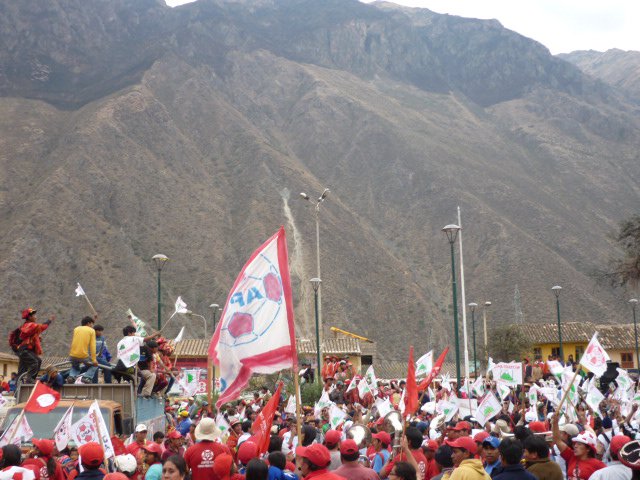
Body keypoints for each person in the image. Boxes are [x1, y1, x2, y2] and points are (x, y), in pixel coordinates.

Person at [552, 413, 605, 479]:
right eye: (575, 443)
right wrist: (555, 423)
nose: (575, 446)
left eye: (579, 444)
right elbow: (558, 441)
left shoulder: (598, 465)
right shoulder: (571, 456)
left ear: (588, 448)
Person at [16, 307, 53, 383]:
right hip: (25, 349)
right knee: (35, 362)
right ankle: (30, 380)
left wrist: (36, 337)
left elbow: (29, 334)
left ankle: (20, 383)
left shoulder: (28, 326)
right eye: (34, 315)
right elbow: (42, 327)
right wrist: (49, 321)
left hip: (24, 350)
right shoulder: (30, 325)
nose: (35, 317)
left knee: (23, 369)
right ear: (29, 317)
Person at [67, 316, 98, 384]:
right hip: (83, 356)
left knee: (75, 367)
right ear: (88, 323)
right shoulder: (91, 330)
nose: (92, 326)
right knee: (94, 365)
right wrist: (94, 360)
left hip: (72, 355)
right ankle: (87, 377)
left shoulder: (76, 329)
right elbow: (92, 346)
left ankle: (71, 377)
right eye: (92, 324)